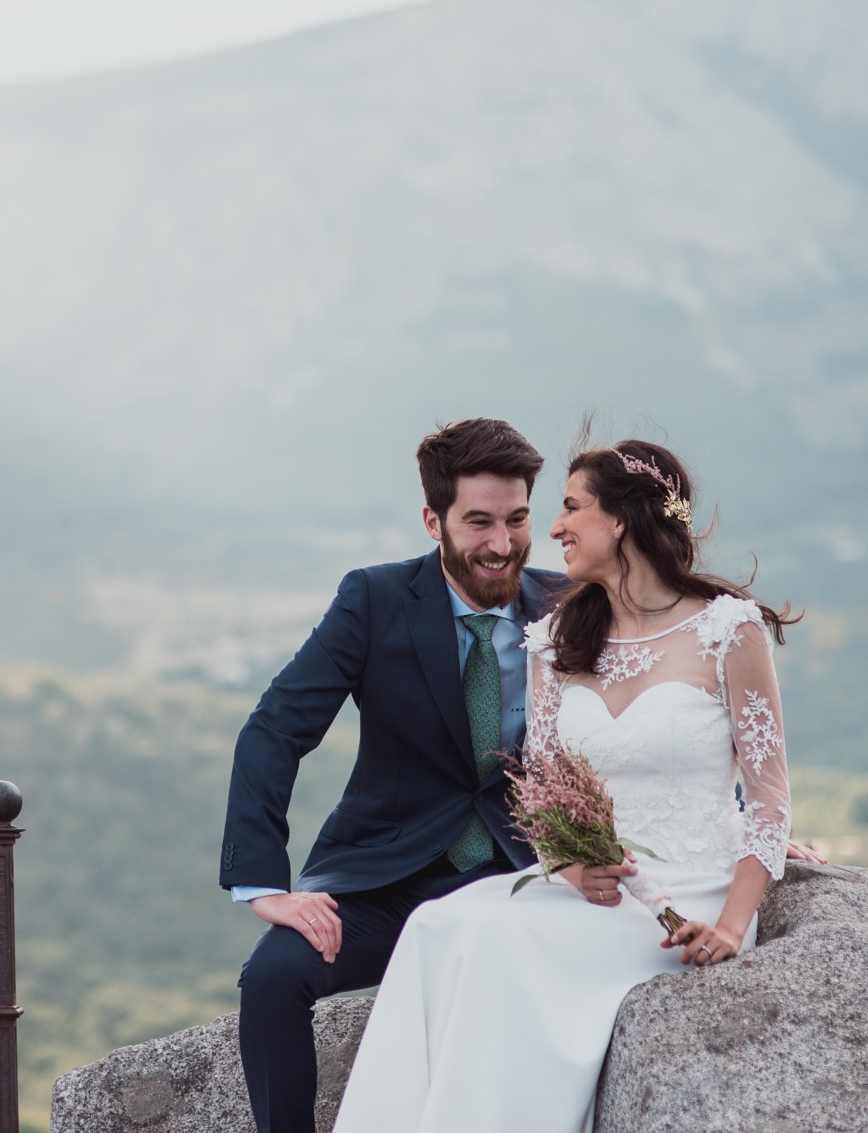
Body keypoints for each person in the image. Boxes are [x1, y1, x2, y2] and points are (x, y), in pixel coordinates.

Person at [330, 436, 797, 1133]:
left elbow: (768, 798)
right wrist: (570, 861)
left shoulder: (730, 631)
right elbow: (541, 792)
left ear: (622, 521)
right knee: (435, 926)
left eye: (571, 507)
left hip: (690, 891)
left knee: (499, 944)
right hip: (590, 889)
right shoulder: (556, 639)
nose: (551, 528)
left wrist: (731, 925)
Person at [219, 418, 572, 1133]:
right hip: (386, 880)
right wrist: (264, 884)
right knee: (273, 978)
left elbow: (654, 718)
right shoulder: (374, 599)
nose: (501, 545)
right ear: (432, 519)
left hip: (524, 877)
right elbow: (275, 729)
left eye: (515, 519)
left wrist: (745, 819)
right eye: (478, 522)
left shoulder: (573, 605)